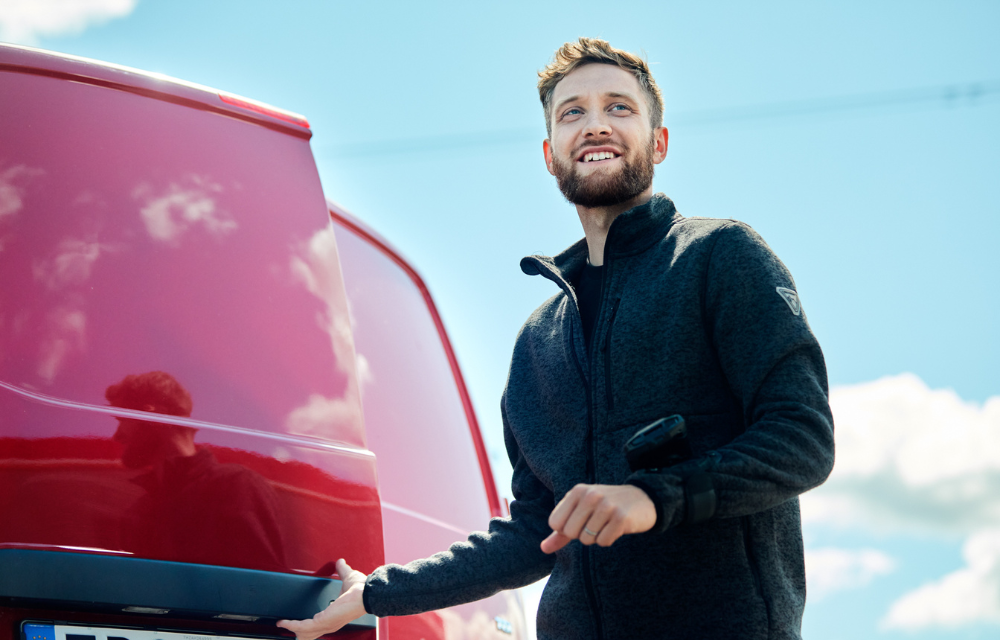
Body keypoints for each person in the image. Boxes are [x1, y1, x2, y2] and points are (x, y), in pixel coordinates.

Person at [278, 37, 834, 640]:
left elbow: (802, 439)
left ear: (660, 142)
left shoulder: (721, 258)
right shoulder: (535, 344)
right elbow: (531, 534)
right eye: (573, 112)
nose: (595, 125)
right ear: (550, 154)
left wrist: (655, 497)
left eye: (619, 108)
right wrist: (380, 593)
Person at [107, 370, 287, 572]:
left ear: (149, 415)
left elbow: (259, 590)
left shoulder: (235, 486)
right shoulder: (138, 514)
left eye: (122, 420)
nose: (117, 436)